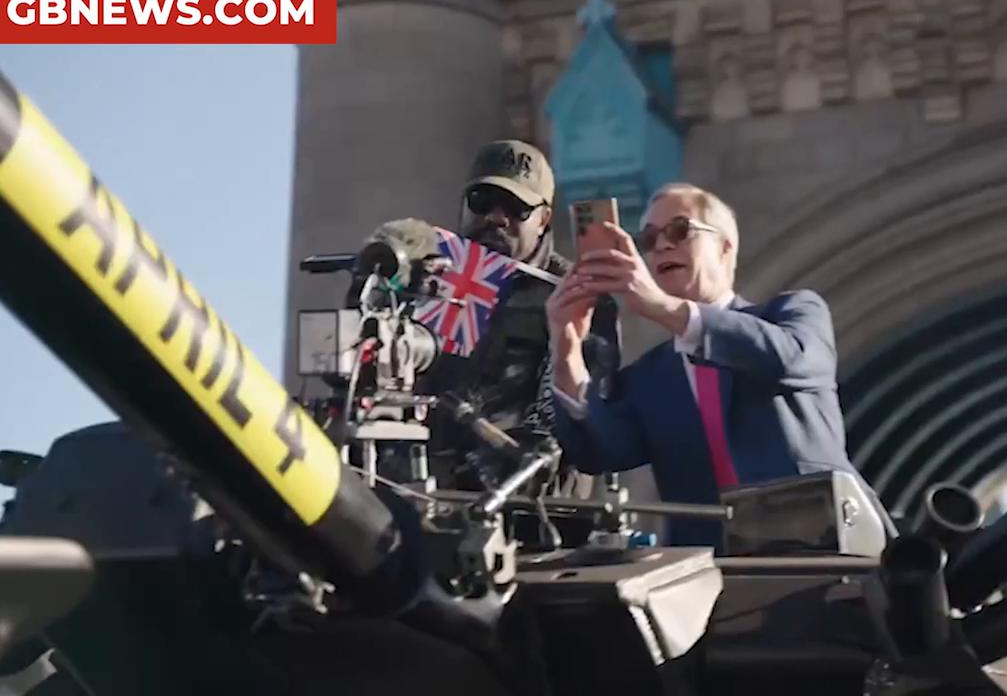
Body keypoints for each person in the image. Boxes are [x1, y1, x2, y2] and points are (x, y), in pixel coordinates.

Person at [546, 182, 880, 547]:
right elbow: (598, 451)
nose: (662, 246)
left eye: (678, 231)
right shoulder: (652, 375)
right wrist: (566, 350)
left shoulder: (793, 312)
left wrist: (662, 307)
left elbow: (791, 357)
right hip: (710, 572)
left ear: (724, 248)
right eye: (649, 239)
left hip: (824, 549)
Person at [367, 140, 614, 501]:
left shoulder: (575, 295)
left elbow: (570, 416)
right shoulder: (421, 279)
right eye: (482, 202)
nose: (496, 219)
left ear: (544, 219)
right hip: (412, 496)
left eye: (516, 209)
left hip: (532, 511)